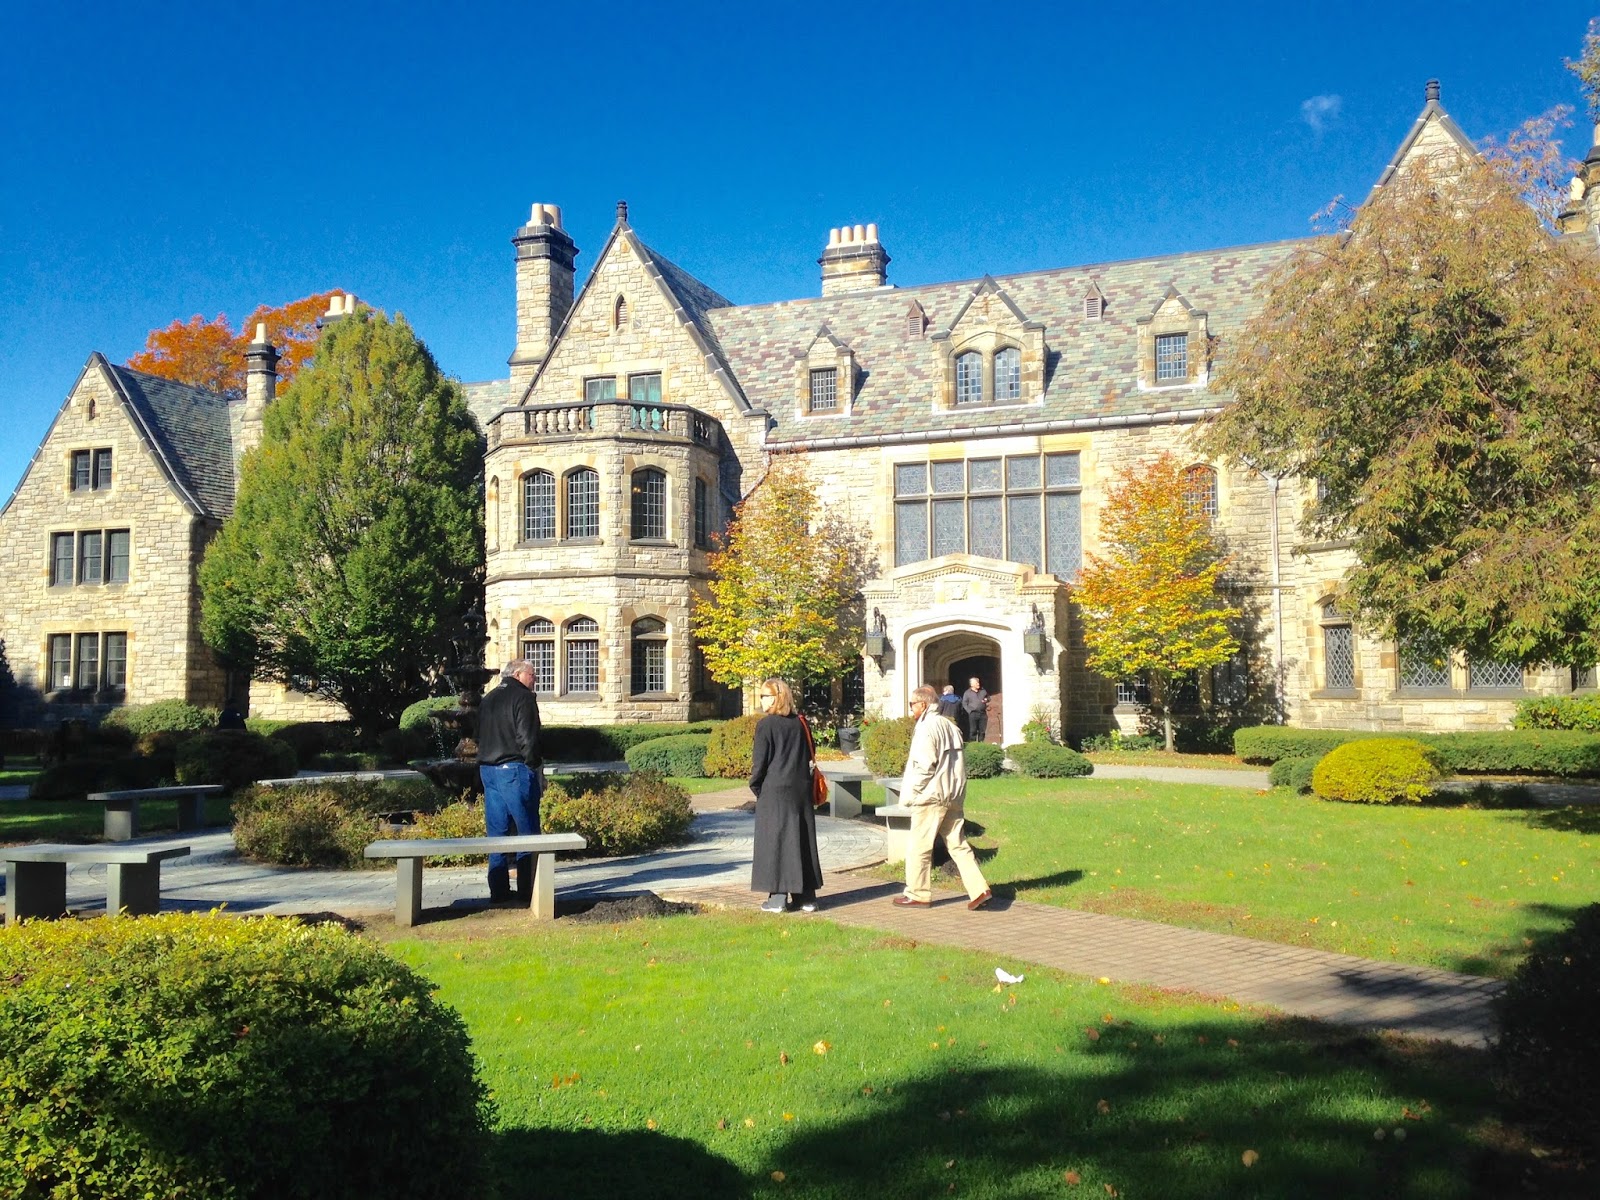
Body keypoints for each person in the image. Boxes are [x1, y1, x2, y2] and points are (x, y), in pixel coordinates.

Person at [894, 684, 992, 911]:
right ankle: (979, 890)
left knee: (919, 845)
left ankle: (917, 893)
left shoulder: (927, 727)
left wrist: (914, 792)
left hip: (931, 795)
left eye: (912, 705)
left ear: (923, 704)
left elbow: (924, 765)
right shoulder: (950, 726)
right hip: (953, 794)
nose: (911, 710)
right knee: (958, 844)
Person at [748, 677, 823, 914]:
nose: (762, 700)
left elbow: (759, 764)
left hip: (775, 791)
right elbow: (811, 753)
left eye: (766, 695)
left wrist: (756, 786)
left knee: (776, 843)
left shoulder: (767, 725)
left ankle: (777, 899)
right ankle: (806, 898)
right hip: (800, 788)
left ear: (777, 697)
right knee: (801, 841)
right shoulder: (801, 722)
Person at [476, 658, 544, 905]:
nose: (534, 680)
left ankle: (499, 891)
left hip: (488, 770)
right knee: (527, 832)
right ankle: (529, 891)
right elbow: (528, 737)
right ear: (518, 674)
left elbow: (477, 735)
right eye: (532, 675)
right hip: (514, 769)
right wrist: (533, 765)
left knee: (497, 833)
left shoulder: (489, 698)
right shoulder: (523, 697)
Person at [960, 676, 990, 743]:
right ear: (972, 684)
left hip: (982, 714)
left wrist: (986, 700)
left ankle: (981, 743)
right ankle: (972, 744)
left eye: (978, 682)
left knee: (982, 731)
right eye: (976, 683)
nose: (978, 684)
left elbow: (988, 698)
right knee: (973, 730)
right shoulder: (967, 693)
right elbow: (964, 703)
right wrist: (969, 711)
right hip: (973, 714)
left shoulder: (983, 691)